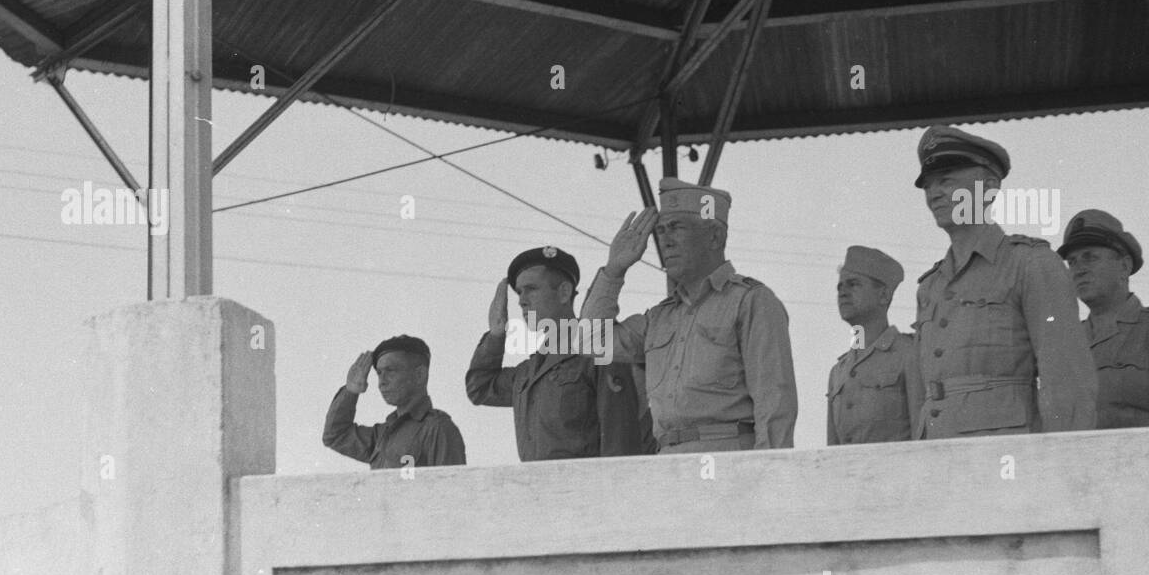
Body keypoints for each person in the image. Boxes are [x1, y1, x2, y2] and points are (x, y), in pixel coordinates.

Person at [579, 177, 797, 454]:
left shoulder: (751, 301)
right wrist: (614, 270)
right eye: (660, 231)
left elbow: (774, 401)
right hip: (668, 461)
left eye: (676, 228)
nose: (665, 242)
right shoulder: (658, 318)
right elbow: (589, 342)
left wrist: (769, 474)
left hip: (729, 461)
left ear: (714, 236)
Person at [910, 125, 1096, 439]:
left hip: (1004, 457)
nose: (934, 193)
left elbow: (1067, 380)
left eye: (947, 180)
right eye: (928, 185)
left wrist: (1063, 465)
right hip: (934, 456)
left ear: (990, 186)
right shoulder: (930, 287)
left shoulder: (1031, 264)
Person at [465, 245, 649, 460]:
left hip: (587, 488)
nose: (522, 300)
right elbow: (480, 387)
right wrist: (496, 335)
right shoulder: (529, 371)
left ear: (564, 293)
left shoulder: (600, 351)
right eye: (519, 292)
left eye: (531, 289)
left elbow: (619, 439)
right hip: (537, 489)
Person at [1058, 209, 1149, 428]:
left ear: (1124, 266)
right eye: (1072, 262)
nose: (1078, 269)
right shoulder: (1069, 342)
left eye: (1090, 257)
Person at [322, 334, 466, 469]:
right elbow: (335, 435)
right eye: (379, 373)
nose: (381, 382)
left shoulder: (438, 429)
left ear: (420, 375)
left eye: (390, 371)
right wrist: (351, 391)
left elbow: (452, 490)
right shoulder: (382, 434)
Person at [827, 245, 917, 444]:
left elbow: (923, 434)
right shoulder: (838, 372)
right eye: (840, 287)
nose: (843, 293)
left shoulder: (909, 354)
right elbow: (832, 452)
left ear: (883, 295)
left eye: (853, 284)